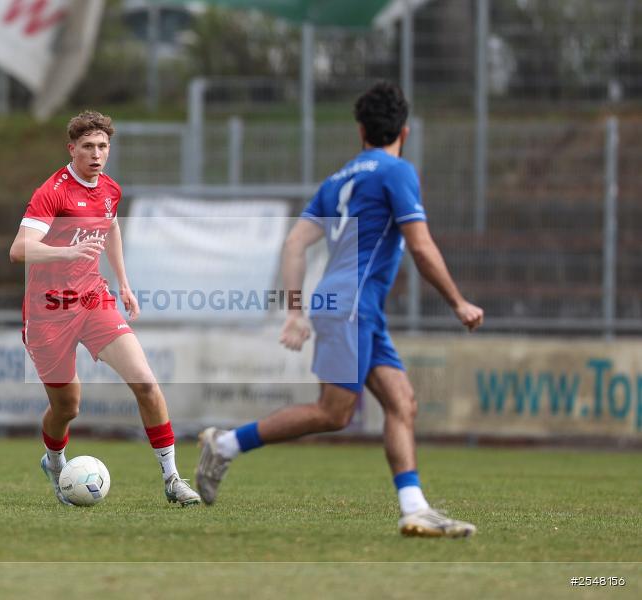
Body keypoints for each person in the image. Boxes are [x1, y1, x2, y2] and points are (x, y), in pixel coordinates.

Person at [195, 82, 483, 537]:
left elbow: (295, 243)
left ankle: (414, 509)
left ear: (360, 131)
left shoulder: (337, 180)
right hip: (351, 307)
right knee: (334, 412)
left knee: (401, 402)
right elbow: (421, 245)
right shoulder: (397, 171)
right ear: (403, 130)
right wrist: (458, 301)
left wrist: (295, 310)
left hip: (355, 307)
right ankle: (225, 443)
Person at [9, 110, 200, 507]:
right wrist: (69, 250)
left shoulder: (110, 189)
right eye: (88, 147)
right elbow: (18, 249)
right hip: (48, 311)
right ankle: (55, 461)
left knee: (146, 383)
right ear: (72, 149)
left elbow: (110, 226)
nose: (96, 154)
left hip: (94, 298)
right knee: (67, 407)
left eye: (102, 146)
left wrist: (124, 283)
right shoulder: (54, 192)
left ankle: (172, 479)